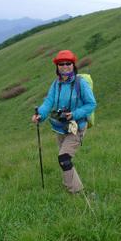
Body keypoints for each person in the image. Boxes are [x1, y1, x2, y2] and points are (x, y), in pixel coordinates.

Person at [31, 50, 96, 194]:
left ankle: (77, 192)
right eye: (61, 64)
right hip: (61, 128)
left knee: (64, 158)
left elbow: (91, 104)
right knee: (63, 159)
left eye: (68, 63)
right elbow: (48, 102)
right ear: (57, 67)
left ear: (73, 65)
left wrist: (74, 114)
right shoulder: (56, 84)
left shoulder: (81, 83)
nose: (65, 66)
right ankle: (68, 185)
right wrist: (39, 115)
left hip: (76, 127)